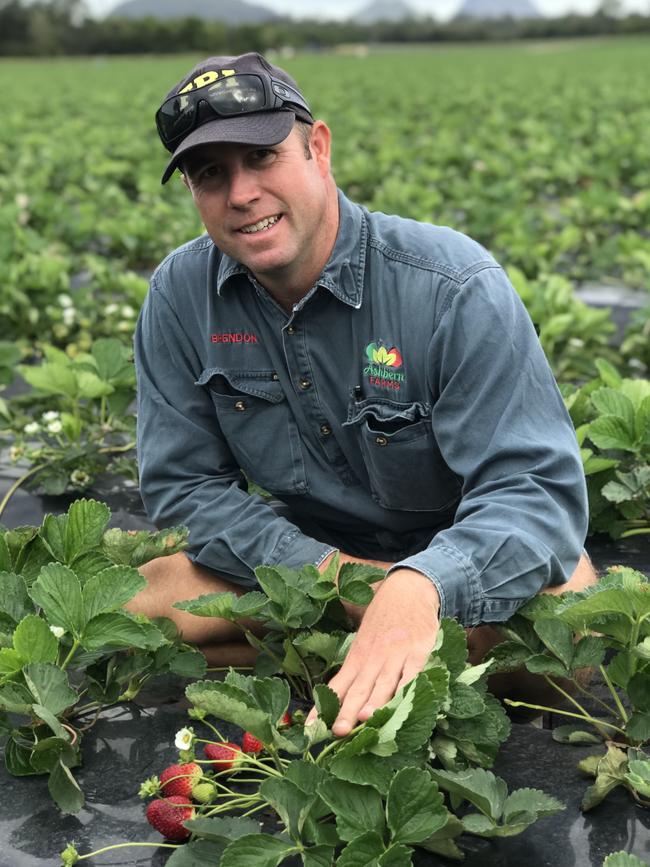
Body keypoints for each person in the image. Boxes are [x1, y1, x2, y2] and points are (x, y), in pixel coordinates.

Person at [130, 51, 596, 737]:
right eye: (211, 174)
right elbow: (186, 491)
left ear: (317, 147)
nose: (241, 194)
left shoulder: (451, 287)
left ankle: (349, 668)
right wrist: (336, 579)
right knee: (146, 602)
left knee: (571, 644)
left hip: (461, 566)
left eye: (262, 158)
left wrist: (420, 585)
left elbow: (536, 493)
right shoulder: (180, 297)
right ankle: (392, 671)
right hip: (312, 565)